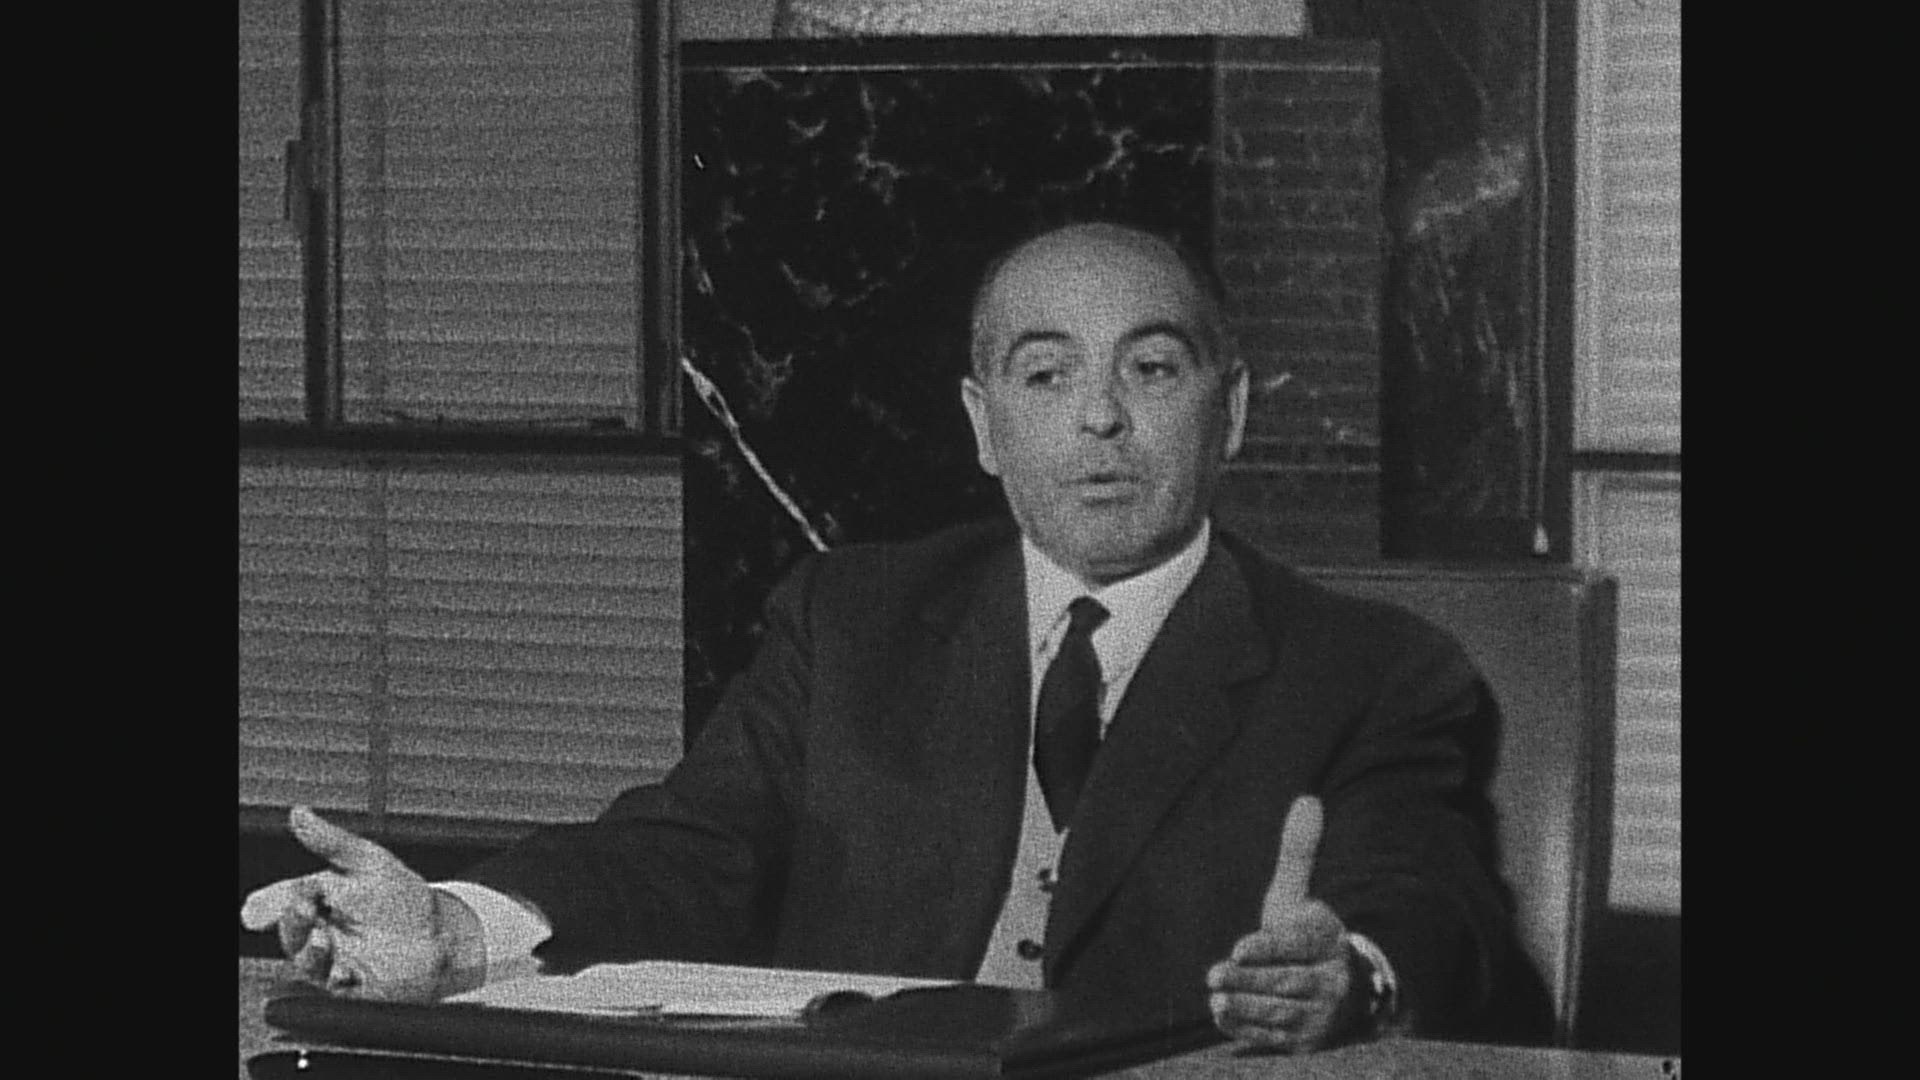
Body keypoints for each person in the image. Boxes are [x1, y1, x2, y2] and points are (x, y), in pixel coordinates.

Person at [243, 221, 1533, 1052]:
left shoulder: (1370, 667)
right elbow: (689, 848)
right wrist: (459, 928)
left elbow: (1430, 898)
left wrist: (1352, 975)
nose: (1100, 419)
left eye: (1151, 370)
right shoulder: (851, 616)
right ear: (983, 424)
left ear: (1231, 411)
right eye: (1046, 374)